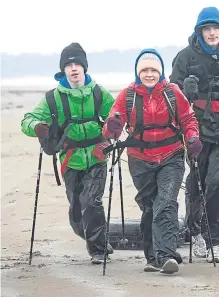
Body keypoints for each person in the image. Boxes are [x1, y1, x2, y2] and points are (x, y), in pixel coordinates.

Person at [102, 49, 201, 274]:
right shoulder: (127, 95)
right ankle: (153, 256)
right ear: (138, 73)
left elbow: (188, 118)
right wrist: (113, 126)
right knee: (149, 207)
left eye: (153, 70)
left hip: (171, 156)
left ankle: (166, 256)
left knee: (165, 203)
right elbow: (110, 127)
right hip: (139, 159)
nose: (149, 74)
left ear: (161, 72)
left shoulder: (172, 91)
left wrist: (193, 137)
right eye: (144, 70)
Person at [21, 42, 116, 264]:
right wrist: (37, 127)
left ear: (84, 68)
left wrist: (115, 124)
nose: (74, 68)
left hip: (97, 155)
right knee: (76, 213)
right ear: (63, 70)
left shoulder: (99, 92)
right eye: (69, 65)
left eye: (77, 64)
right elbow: (27, 119)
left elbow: (116, 113)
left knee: (91, 201)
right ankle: (98, 240)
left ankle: (98, 251)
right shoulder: (53, 98)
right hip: (70, 160)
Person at [169, 6, 219, 263]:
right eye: (207, 29)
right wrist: (184, 90)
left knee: (218, 182)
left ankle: (216, 240)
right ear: (199, 32)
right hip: (194, 128)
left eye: (216, 28)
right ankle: (195, 231)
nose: (212, 33)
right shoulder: (185, 57)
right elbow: (171, 93)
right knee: (197, 181)